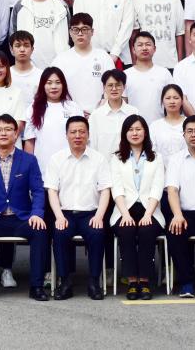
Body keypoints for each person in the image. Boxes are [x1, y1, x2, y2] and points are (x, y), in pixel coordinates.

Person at [0, 114, 50, 301]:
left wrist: (37, 214)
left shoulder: (29, 160)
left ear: (16, 133)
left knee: (40, 231)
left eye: (8, 129)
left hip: (21, 217)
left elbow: (38, 190)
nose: (3, 133)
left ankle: (36, 287)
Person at [43, 115, 110, 301]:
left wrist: (99, 216)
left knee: (97, 234)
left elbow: (105, 190)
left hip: (91, 213)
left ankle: (94, 282)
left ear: (88, 134)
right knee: (59, 234)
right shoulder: (56, 159)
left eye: (82, 132)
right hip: (65, 213)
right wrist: (58, 216)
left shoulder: (99, 159)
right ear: (66, 135)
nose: (78, 136)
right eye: (73, 132)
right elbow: (52, 191)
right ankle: (65, 282)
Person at [109, 115, 166, 300]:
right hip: (124, 208)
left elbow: (157, 187)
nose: (135, 133)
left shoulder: (156, 158)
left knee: (146, 230)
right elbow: (117, 188)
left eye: (138, 129)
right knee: (126, 230)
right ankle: (132, 281)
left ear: (145, 132)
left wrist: (148, 214)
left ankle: (145, 281)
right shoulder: (116, 158)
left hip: (150, 209)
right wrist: (125, 214)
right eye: (131, 129)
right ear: (125, 133)